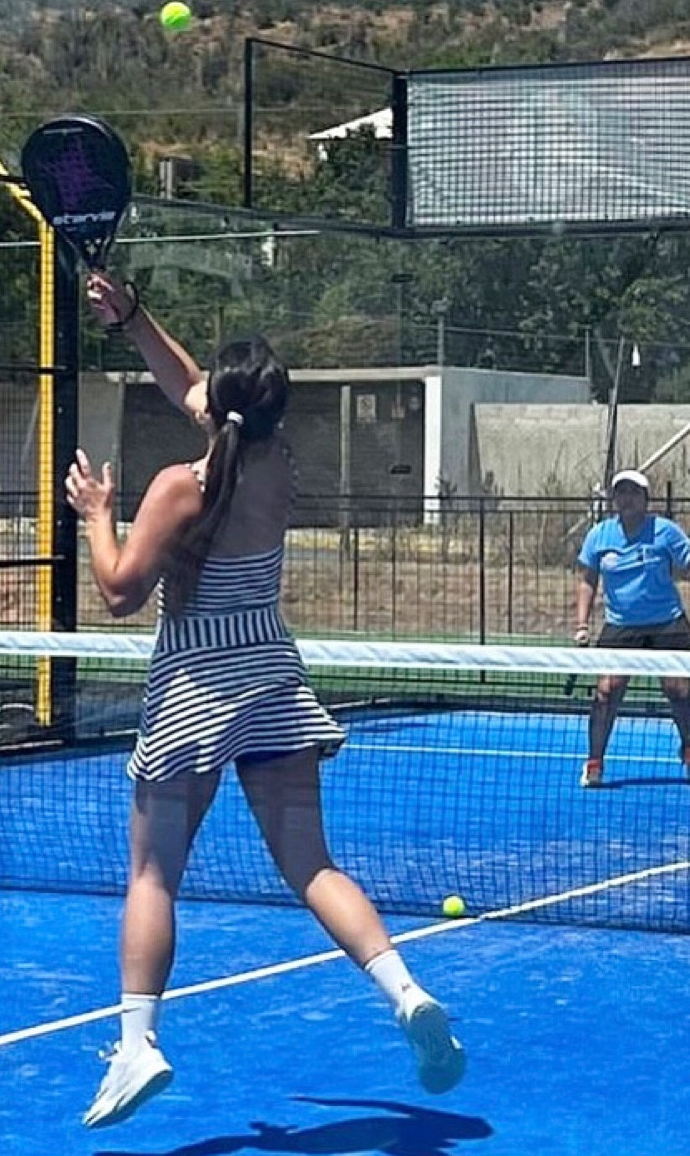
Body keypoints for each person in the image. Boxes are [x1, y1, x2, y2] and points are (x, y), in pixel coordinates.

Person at [65, 272, 466, 1130]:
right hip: (272, 675)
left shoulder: (180, 486)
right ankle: (406, 992)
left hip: (195, 683)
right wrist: (132, 316)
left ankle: (136, 1045)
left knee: (152, 874)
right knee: (313, 866)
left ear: (219, 408)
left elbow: (120, 592)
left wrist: (96, 513)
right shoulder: (276, 464)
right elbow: (193, 387)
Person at [574, 469, 690, 789]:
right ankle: (595, 760)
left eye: (633, 493)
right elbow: (588, 580)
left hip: (666, 622)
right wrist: (582, 624)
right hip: (620, 625)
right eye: (621, 492)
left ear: (645, 499)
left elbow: (688, 561)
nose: (626, 499)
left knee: (679, 690)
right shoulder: (599, 535)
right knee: (606, 691)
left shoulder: (665, 531)